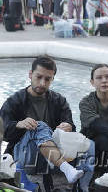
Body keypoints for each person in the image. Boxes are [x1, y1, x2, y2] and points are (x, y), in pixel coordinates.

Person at [0, 56, 86, 187]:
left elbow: (71, 127)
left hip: (49, 156)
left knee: (87, 142)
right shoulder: (14, 101)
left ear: (53, 79)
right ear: (30, 74)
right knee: (39, 125)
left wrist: (68, 126)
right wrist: (19, 124)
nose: (42, 83)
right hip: (25, 156)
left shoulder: (59, 100)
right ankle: (66, 168)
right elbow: (3, 134)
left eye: (47, 79)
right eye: (38, 77)